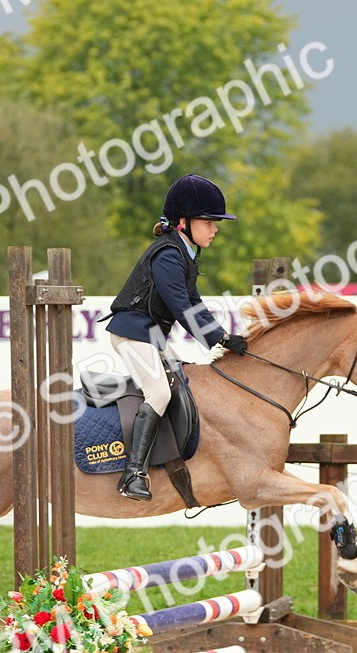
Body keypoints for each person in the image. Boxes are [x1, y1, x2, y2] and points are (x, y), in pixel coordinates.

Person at [104, 173, 248, 501]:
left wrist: (222, 337)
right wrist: (219, 339)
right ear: (184, 222)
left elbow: (194, 303)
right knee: (159, 393)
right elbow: (182, 307)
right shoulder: (168, 255)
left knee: (180, 384)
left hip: (150, 335)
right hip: (133, 334)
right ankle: (132, 474)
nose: (215, 229)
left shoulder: (184, 254)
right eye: (209, 222)